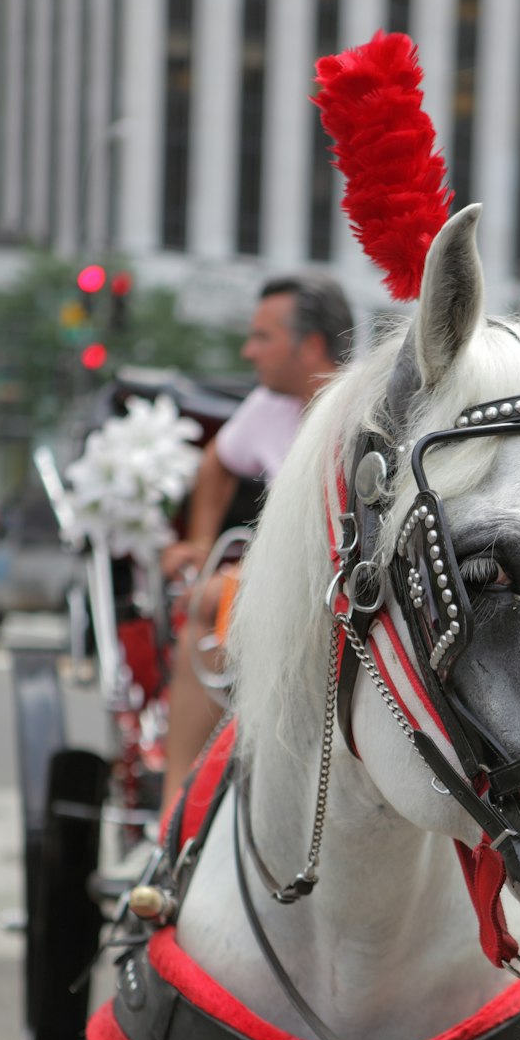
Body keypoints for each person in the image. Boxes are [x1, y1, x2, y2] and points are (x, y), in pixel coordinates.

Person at [159, 272, 354, 812]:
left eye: (262, 337)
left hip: (354, 591)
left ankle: (176, 805)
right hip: (282, 587)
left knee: (208, 601)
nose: (249, 351)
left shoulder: (364, 408)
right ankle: (176, 811)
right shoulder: (269, 406)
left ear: (309, 345)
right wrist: (201, 541)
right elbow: (217, 461)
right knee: (211, 595)